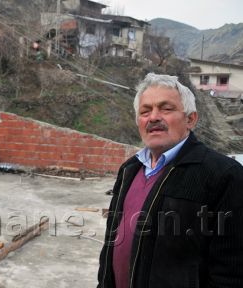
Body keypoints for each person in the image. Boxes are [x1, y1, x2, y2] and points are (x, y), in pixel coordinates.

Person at [97, 73, 243, 288]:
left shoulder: (224, 175)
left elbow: (231, 272)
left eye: (166, 109)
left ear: (190, 119)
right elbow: (112, 243)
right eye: (145, 111)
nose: (154, 117)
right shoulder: (129, 169)